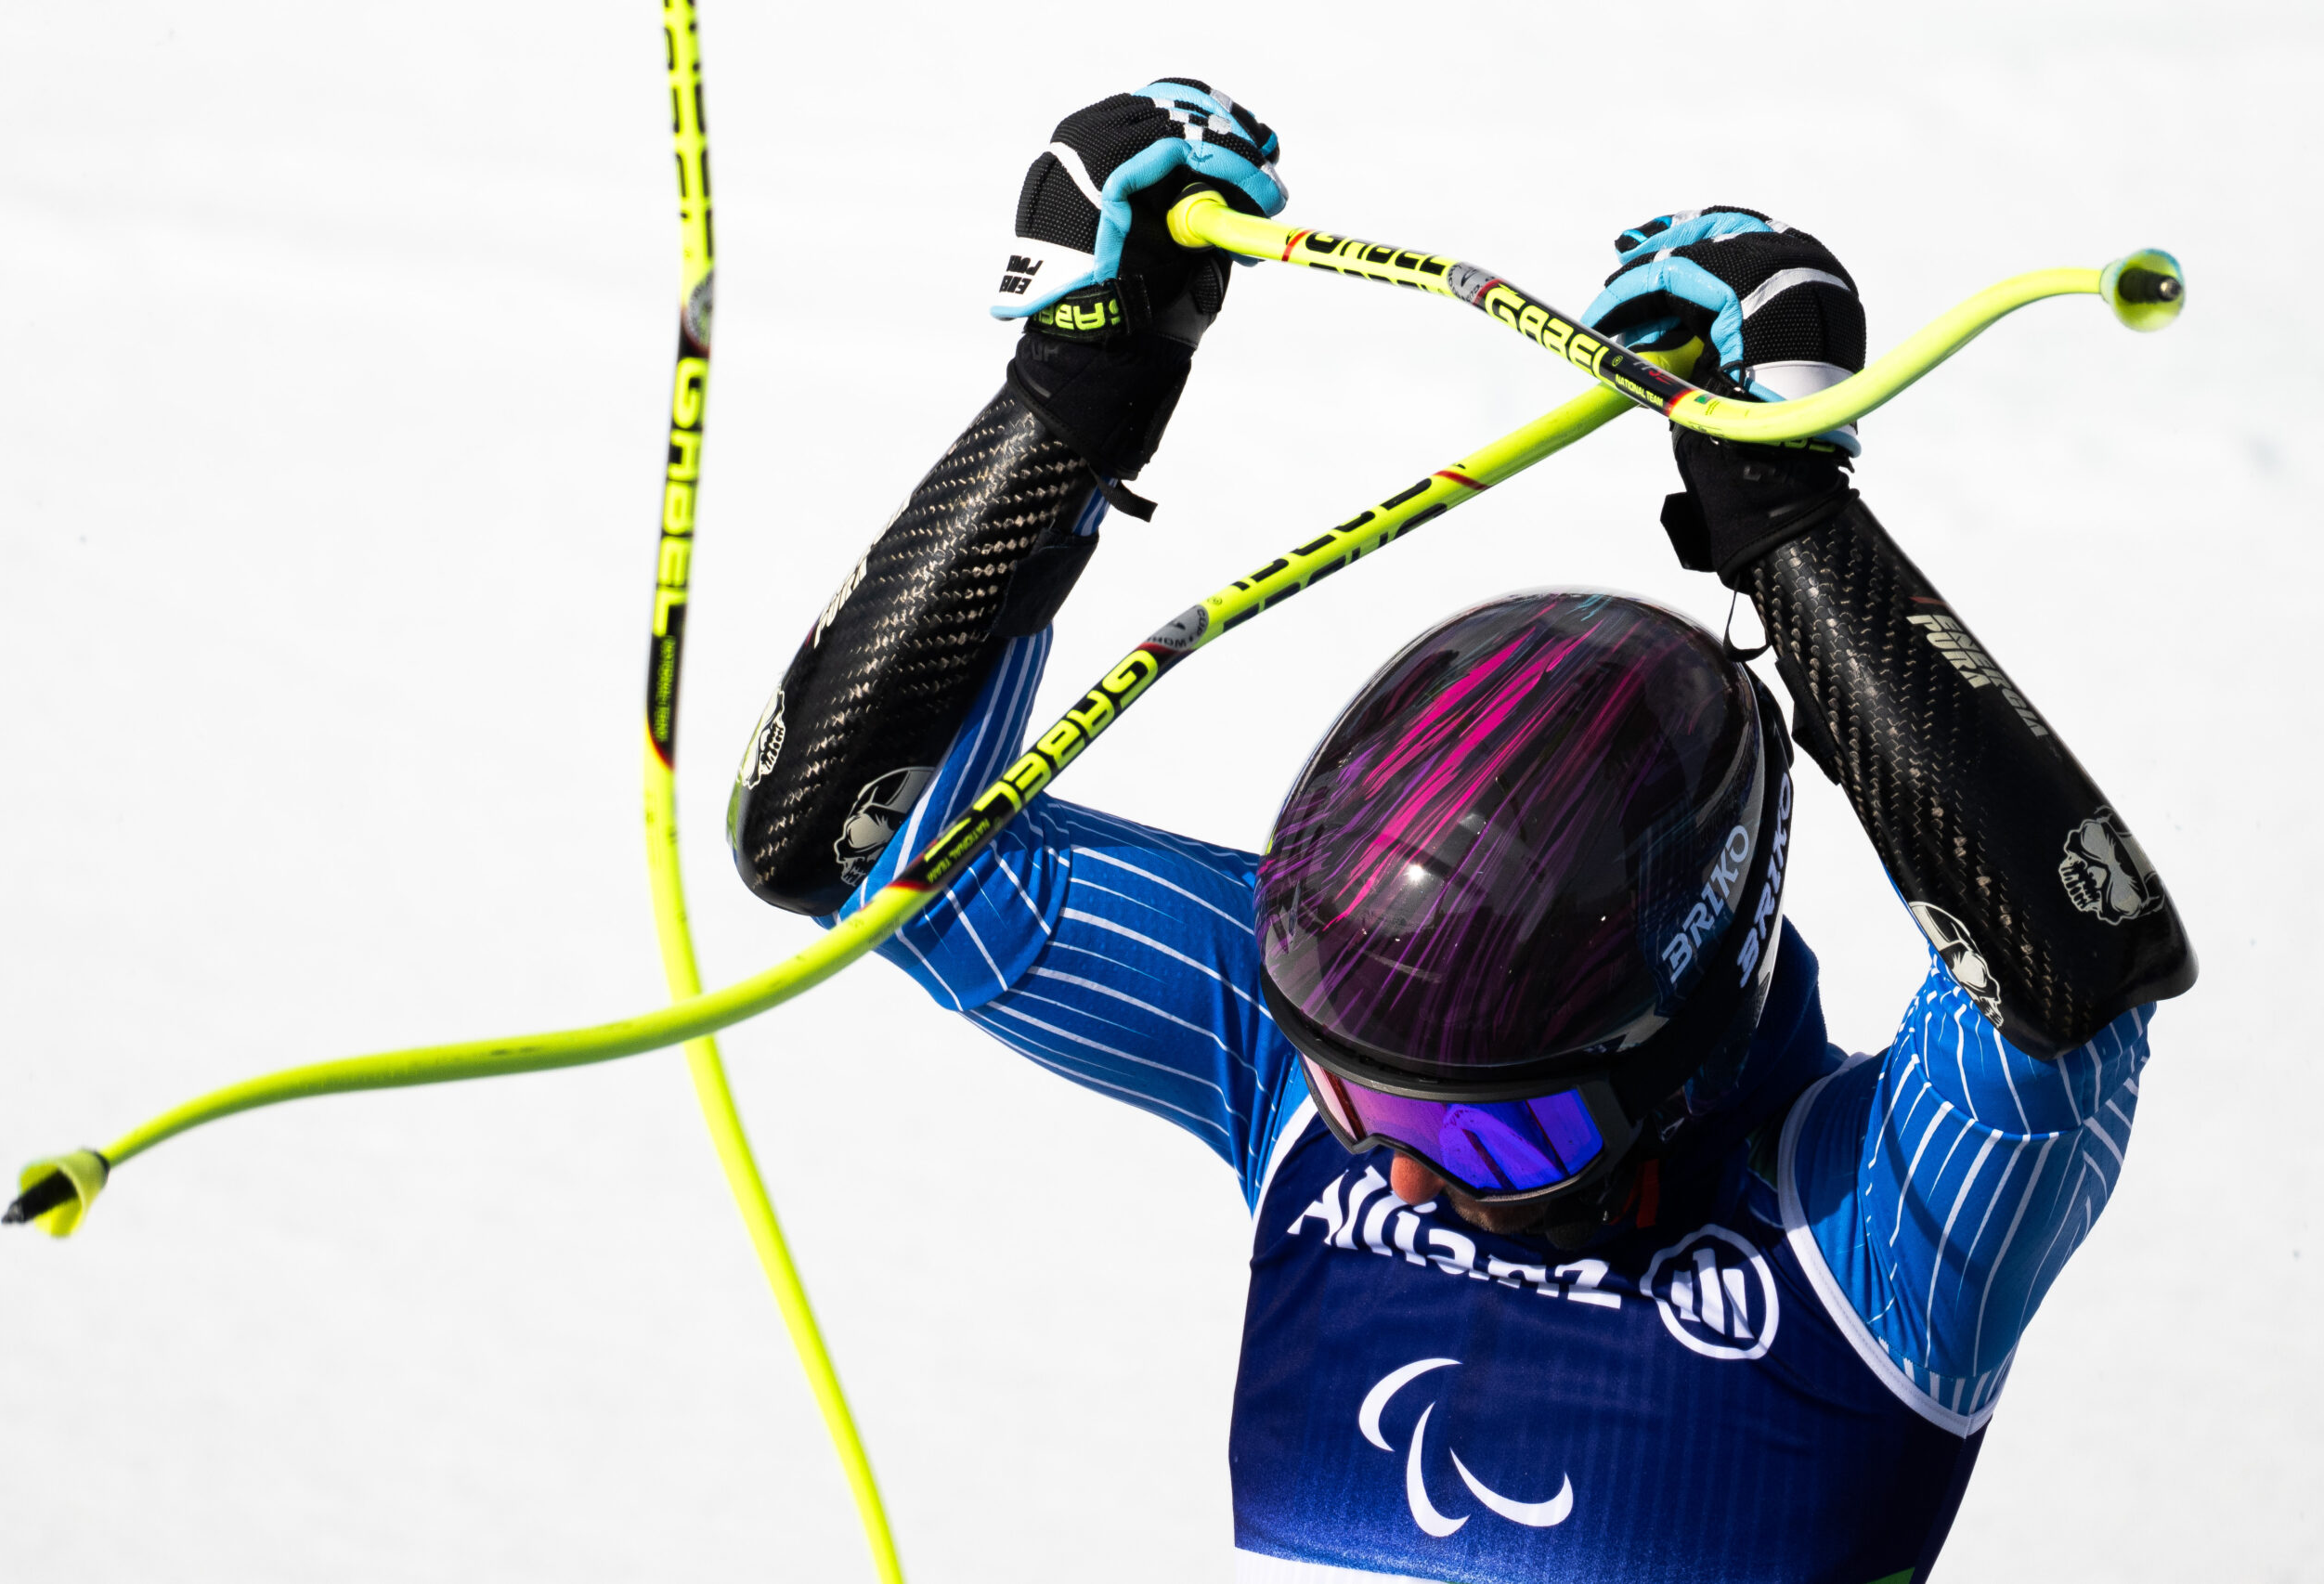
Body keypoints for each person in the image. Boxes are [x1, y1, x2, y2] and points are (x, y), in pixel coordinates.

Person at [728, 80, 2196, 1584]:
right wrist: (1072, 402)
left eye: (1492, 1131)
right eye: (1359, 1108)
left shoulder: (1882, 1249)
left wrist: (1786, 516)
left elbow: (2065, 979)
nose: (1401, 1179)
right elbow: (856, 837)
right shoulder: (1349, 1061)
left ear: (1679, 1049)